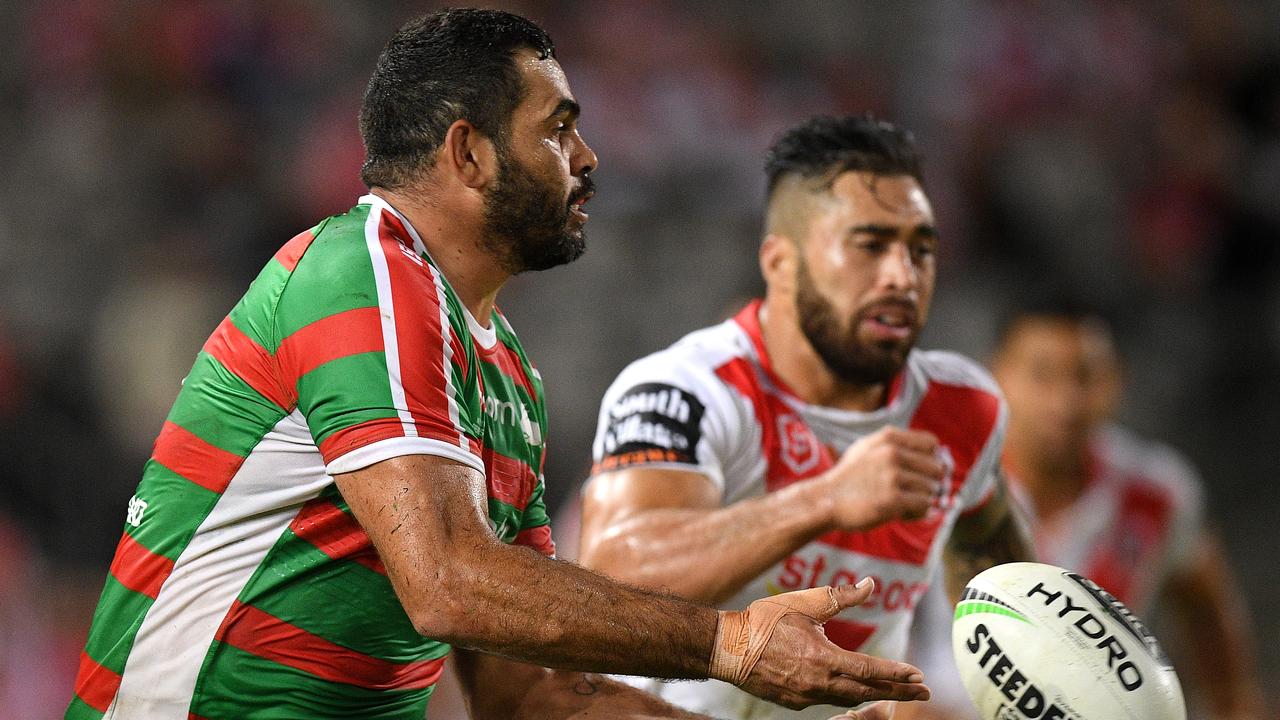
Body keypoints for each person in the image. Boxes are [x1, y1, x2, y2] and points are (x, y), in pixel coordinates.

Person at [66, 11, 932, 720]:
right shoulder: (360, 270)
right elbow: (447, 581)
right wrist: (726, 642)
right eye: (559, 130)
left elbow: (530, 694)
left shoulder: (507, 372)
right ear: (468, 153)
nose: (589, 159)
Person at [578, 115, 1035, 719]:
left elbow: (993, 562)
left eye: (920, 249)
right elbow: (609, 586)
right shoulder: (686, 391)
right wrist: (825, 499)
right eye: (870, 246)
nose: (903, 276)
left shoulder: (962, 407)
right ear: (781, 263)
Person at [898, 300, 1267, 720]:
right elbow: (872, 608)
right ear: (996, 374)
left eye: (1085, 376)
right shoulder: (941, 480)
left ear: (1118, 379)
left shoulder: (1156, 493)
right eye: (1042, 375)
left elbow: (1204, 601)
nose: (1065, 401)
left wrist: (1234, 702)